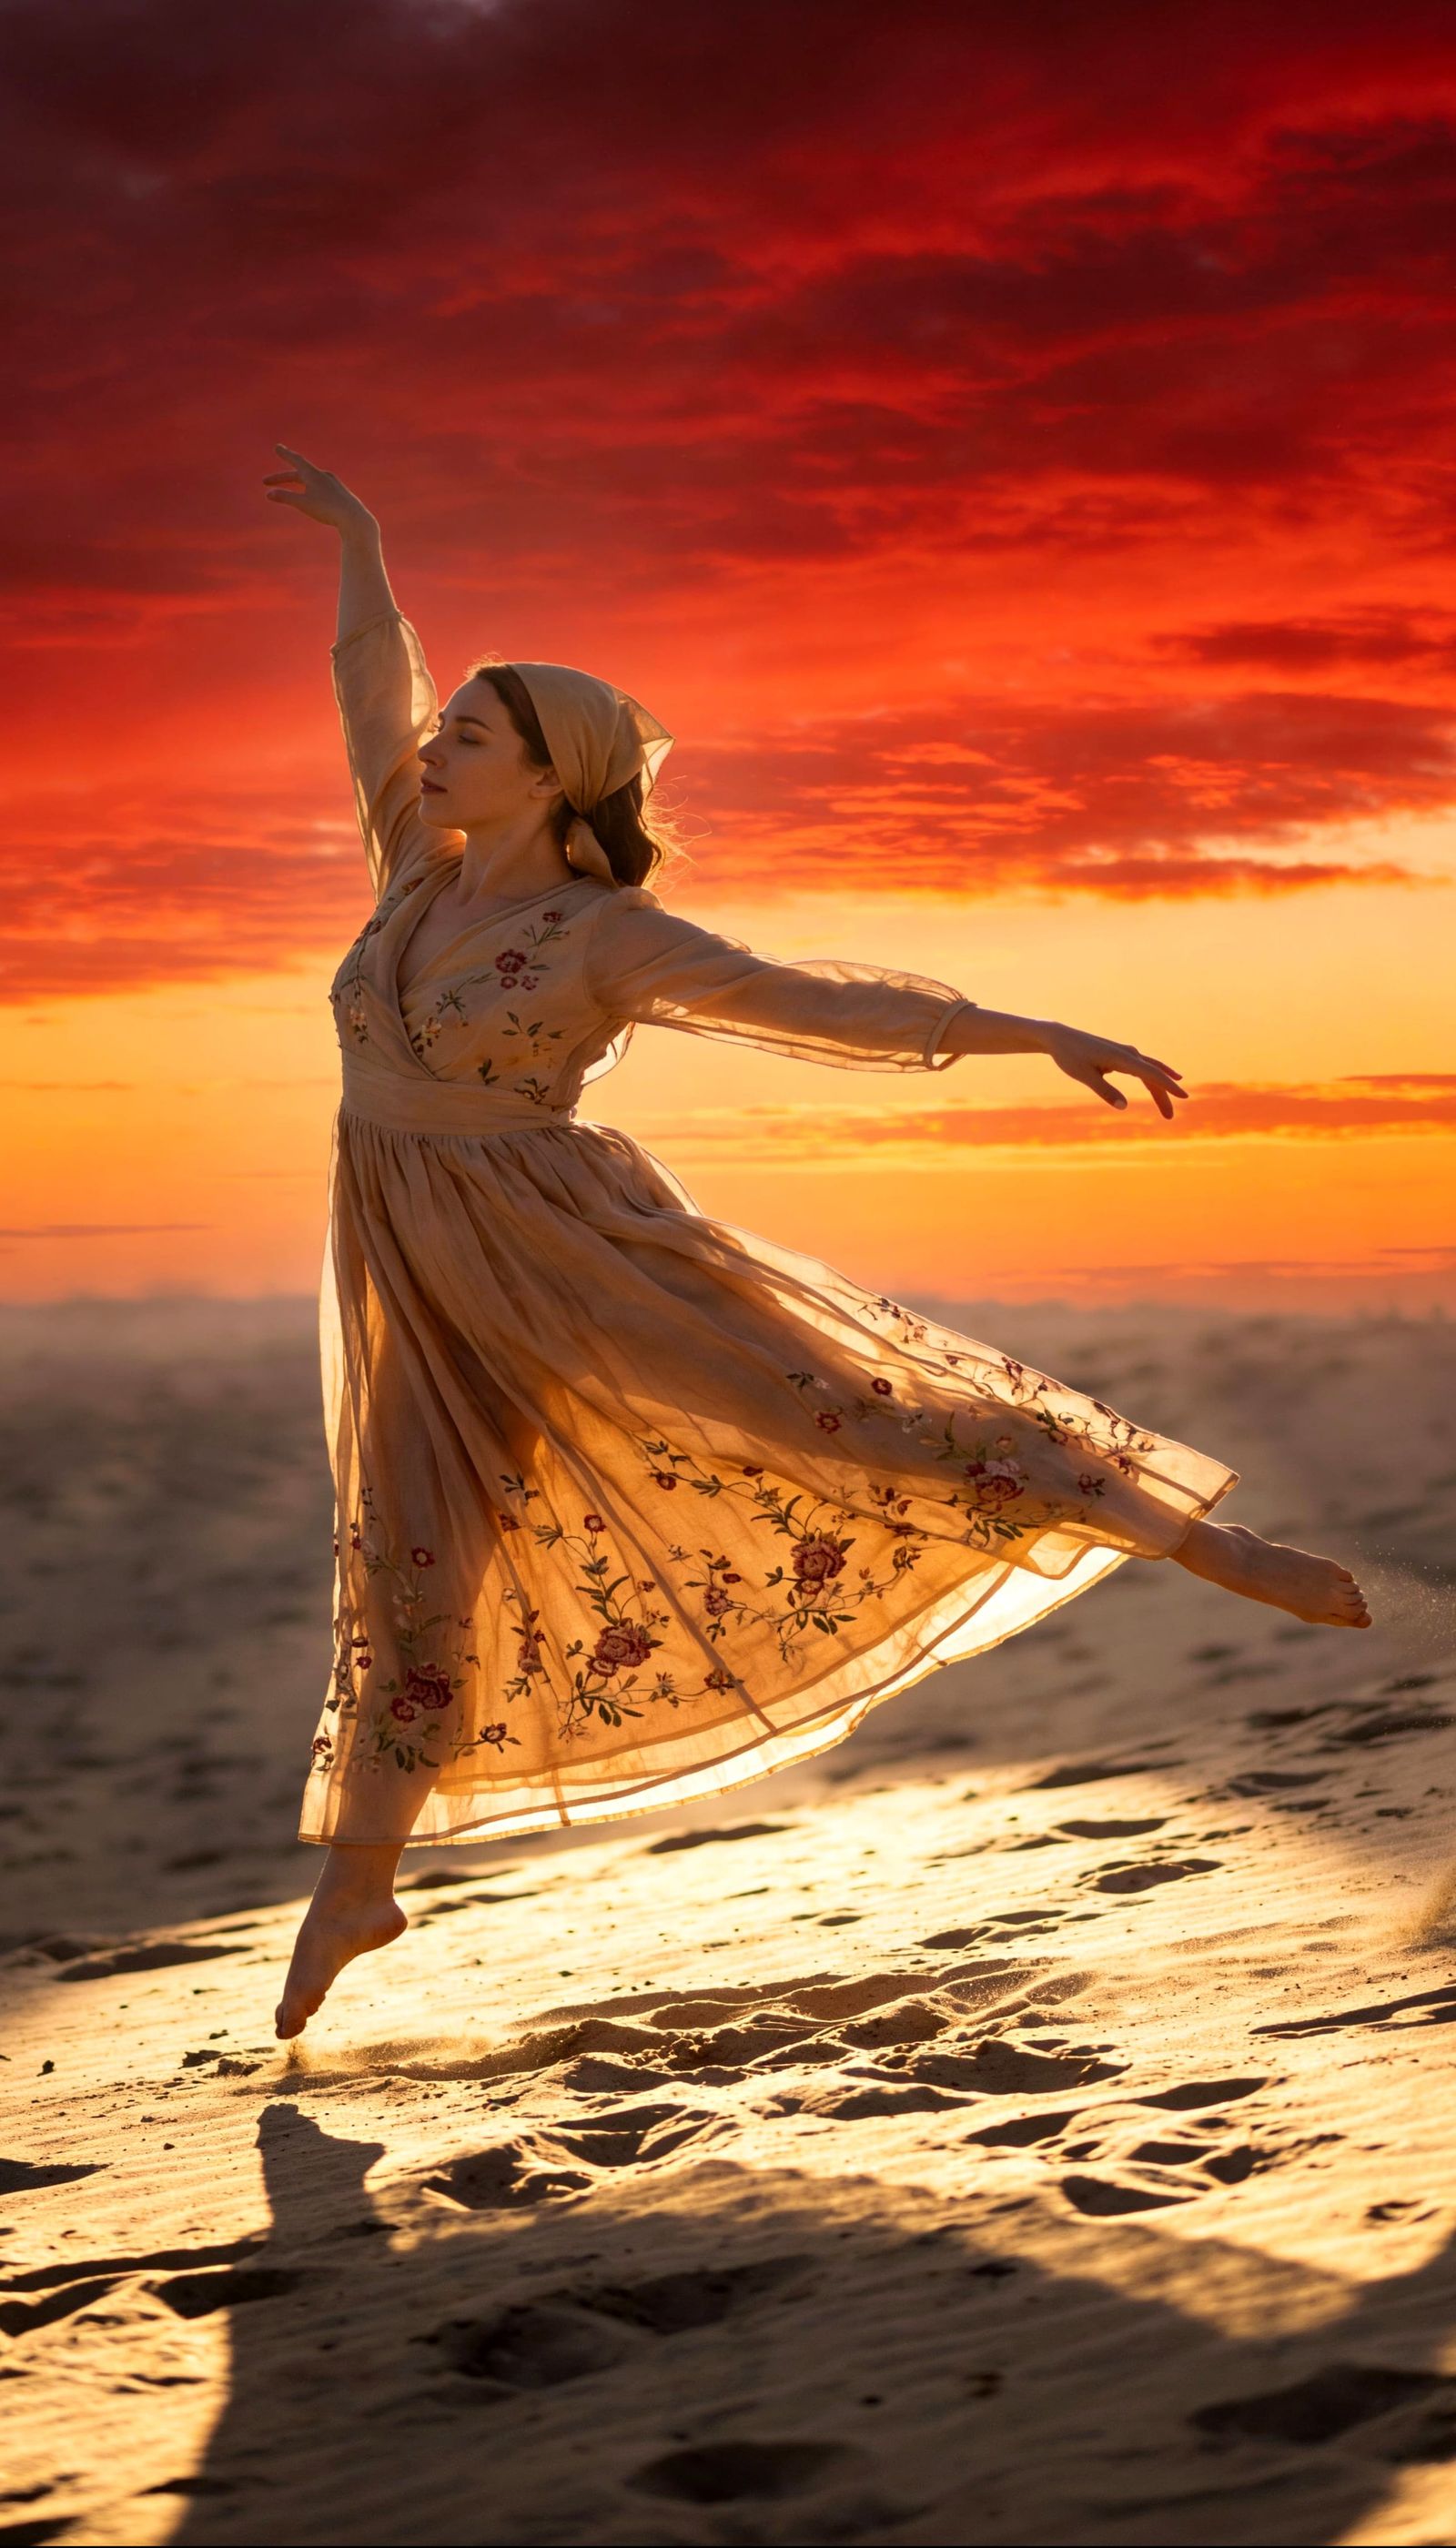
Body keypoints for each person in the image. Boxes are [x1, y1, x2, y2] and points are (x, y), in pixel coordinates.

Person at [262, 445, 1370, 2040]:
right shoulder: (409, 863)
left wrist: (1027, 1027)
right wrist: (361, 539)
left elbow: (814, 1003)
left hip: (566, 1247)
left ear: (555, 778)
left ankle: (1200, 1539)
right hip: (407, 1266)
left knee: (846, 1416)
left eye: (474, 740)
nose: (436, 750)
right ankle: (361, 1881)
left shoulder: (610, 935)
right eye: (447, 732)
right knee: (419, 1561)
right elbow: (376, 684)